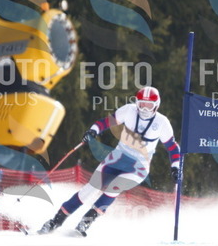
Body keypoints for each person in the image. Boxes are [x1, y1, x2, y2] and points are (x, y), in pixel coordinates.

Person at [36, 86, 181, 236]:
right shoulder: (129, 110)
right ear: (136, 103)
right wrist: (93, 130)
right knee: (89, 189)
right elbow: (105, 122)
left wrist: (176, 167)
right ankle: (55, 222)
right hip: (116, 159)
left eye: (148, 105)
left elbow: (173, 147)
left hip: (138, 168)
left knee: (114, 187)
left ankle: (85, 222)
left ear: (156, 105)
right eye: (141, 104)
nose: (144, 109)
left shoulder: (162, 122)